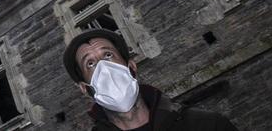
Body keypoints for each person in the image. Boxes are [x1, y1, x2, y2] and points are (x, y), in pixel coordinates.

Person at [63, 29, 238, 130]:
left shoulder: (206, 125)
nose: (104, 68)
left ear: (131, 67)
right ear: (85, 88)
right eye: (91, 63)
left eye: (108, 55)